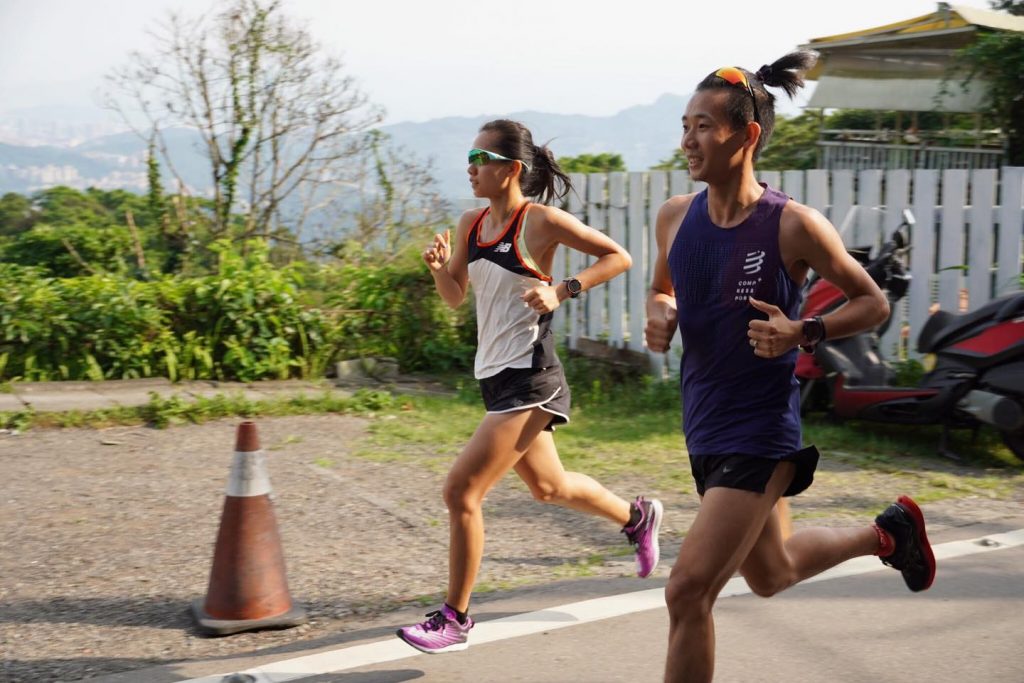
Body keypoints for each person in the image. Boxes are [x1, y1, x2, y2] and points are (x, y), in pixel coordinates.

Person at [644, 53, 936, 682]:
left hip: (760, 431)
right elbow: (662, 287)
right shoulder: (675, 217)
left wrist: (804, 330)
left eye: (703, 127)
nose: (688, 140)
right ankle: (888, 534)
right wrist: (662, 312)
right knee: (771, 573)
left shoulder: (793, 225)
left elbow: (872, 301)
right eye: (685, 124)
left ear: (746, 137)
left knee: (688, 591)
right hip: (704, 423)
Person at [397, 118, 664, 654]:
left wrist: (563, 290)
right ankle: (637, 517)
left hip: (531, 376)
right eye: (469, 158)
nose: (470, 168)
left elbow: (618, 257)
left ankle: (455, 618)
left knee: (461, 492)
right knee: (549, 487)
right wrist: (436, 271)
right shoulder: (471, 223)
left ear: (511, 169)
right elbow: (455, 296)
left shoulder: (540, 222)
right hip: (494, 376)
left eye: (480, 158)